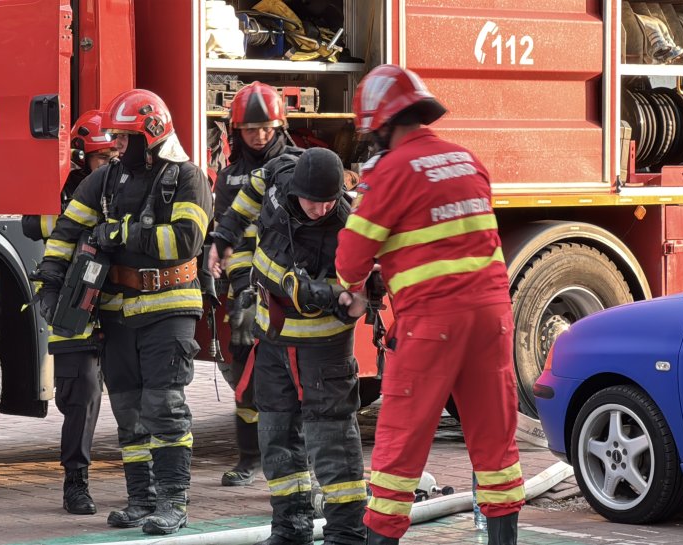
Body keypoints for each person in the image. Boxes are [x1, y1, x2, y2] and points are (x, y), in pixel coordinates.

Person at [335, 64, 525, 545]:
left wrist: (353, 290)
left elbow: (351, 256)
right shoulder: (466, 159)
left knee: (400, 446)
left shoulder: (390, 171)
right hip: (493, 317)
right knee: (495, 443)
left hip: (432, 323)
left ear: (381, 124)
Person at [32, 89, 212, 536]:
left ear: (151, 135)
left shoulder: (187, 178)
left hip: (169, 308)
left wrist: (121, 233)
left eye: (124, 137)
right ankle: (141, 500)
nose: (115, 145)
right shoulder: (106, 180)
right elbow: (67, 230)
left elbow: (185, 241)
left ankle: (172, 502)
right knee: (128, 409)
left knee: (164, 407)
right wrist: (49, 283)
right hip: (117, 312)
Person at [208, 147, 367, 545]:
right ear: (296, 190)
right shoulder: (278, 176)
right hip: (273, 341)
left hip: (323, 352)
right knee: (276, 435)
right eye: (313, 201)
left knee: (331, 442)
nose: (321, 209)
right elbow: (248, 196)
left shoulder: (348, 227)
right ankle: (290, 529)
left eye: (329, 201)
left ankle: (346, 535)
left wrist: (319, 293)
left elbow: (361, 295)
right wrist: (225, 237)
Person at [23, 109, 116, 515]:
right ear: (82, 156)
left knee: (139, 396)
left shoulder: (133, 184)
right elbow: (34, 224)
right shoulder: (62, 191)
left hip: (121, 302)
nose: (110, 162)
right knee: (82, 395)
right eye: (102, 157)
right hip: (74, 302)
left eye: (115, 153)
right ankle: (75, 483)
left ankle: (147, 483)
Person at [212, 81, 302, 487]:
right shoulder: (229, 178)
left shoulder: (298, 167)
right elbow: (229, 237)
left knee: (295, 379)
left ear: (280, 127)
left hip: (290, 292)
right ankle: (249, 458)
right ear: (238, 131)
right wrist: (241, 287)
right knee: (244, 377)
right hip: (247, 292)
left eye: (267, 127)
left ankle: (294, 459)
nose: (260, 135)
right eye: (251, 129)